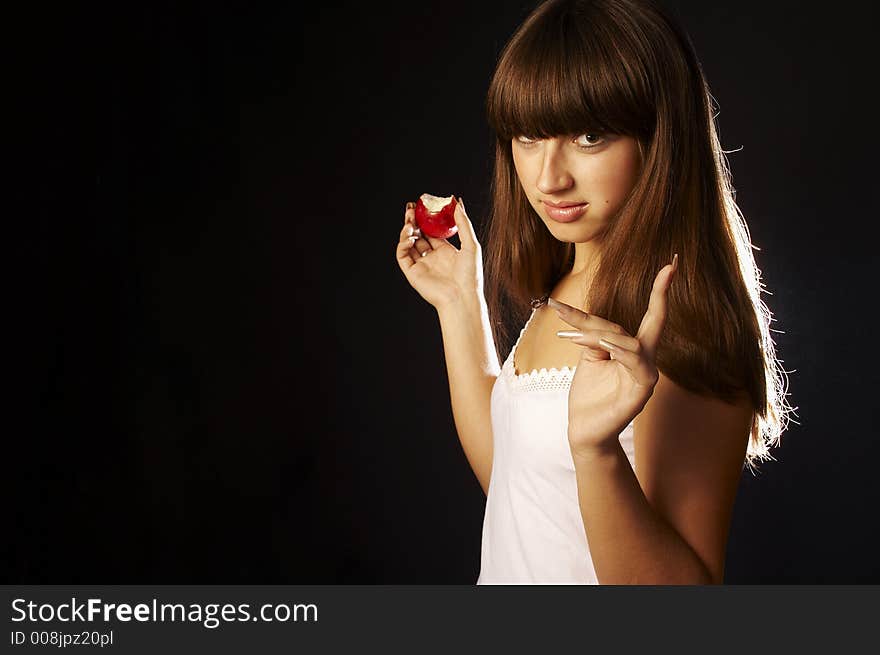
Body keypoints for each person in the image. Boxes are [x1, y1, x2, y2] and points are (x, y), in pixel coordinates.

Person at [394, 0, 794, 585]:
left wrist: (596, 451)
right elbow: (518, 488)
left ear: (659, 140)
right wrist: (459, 304)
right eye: (529, 136)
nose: (549, 177)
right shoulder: (566, 284)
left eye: (589, 136)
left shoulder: (679, 317)